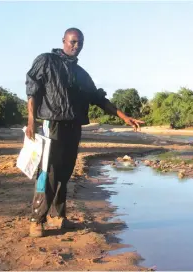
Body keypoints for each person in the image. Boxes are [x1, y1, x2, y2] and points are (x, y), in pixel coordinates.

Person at [26, 27, 144, 237]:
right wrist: (31, 121)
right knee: (48, 172)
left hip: (73, 127)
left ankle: (58, 216)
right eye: (72, 42)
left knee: (64, 173)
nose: (76, 46)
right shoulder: (47, 61)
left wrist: (125, 117)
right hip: (51, 125)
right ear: (63, 40)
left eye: (80, 43)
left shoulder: (81, 74)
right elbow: (32, 89)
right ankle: (37, 219)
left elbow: (99, 99)